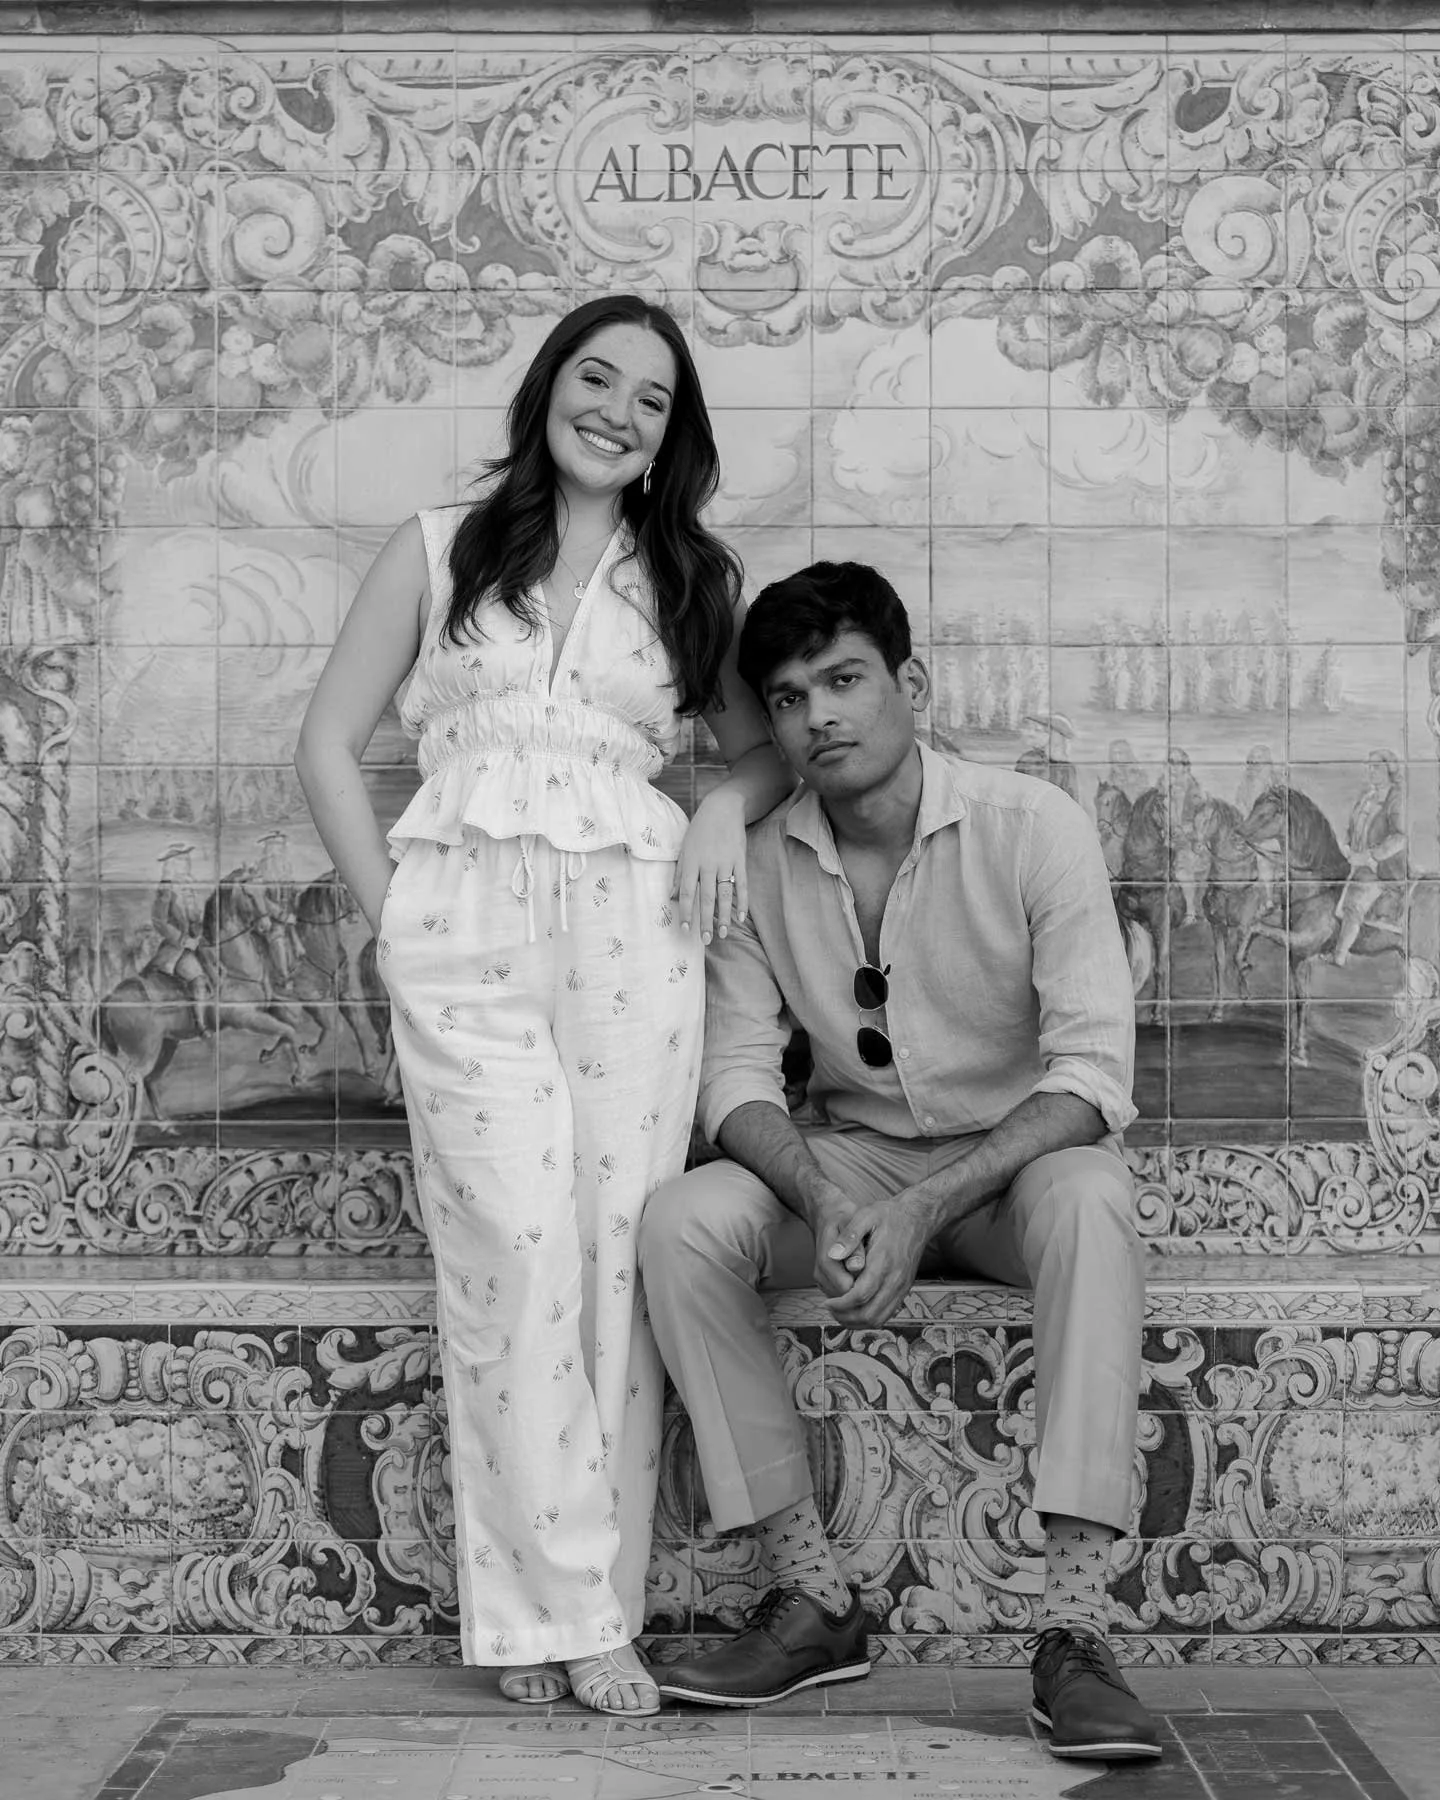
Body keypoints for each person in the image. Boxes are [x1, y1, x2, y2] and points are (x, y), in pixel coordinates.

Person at [294, 297, 791, 1718]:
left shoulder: (692, 577)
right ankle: (544, 1613)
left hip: (638, 934)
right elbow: (326, 743)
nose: (618, 410)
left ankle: (589, 1615)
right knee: (511, 1251)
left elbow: (762, 763)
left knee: (611, 1258)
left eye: (651, 398)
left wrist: (714, 816)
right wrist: (398, 921)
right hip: (467, 930)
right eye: (597, 376)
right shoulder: (441, 547)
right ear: (549, 386)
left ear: (669, 435)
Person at [638, 562, 1161, 1763]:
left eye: (845, 679)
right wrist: (822, 1191)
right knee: (680, 1221)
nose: (818, 715)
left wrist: (928, 1204)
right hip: (856, 1162)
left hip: (1008, 1168)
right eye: (785, 697)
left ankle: (1073, 1634)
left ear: (908, 683)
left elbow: (1091, 1076)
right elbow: (734, 1082)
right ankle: (812, 1596)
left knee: (1092, 1199)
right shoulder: (759, 861)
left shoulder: (1034, 827)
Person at [1332, 748, 1407, 966]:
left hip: (1382, 872)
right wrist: (1345, 847)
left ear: (1390, 770)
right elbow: (1352, 828)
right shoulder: (1367, 797)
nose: (1371, 771)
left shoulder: (1396, 800)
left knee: (1355, 900)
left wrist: (1370, 856)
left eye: (1377, 767)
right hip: (1355, 863)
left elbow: (1400, 837)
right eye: (1370, 766)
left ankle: (1339, 955)